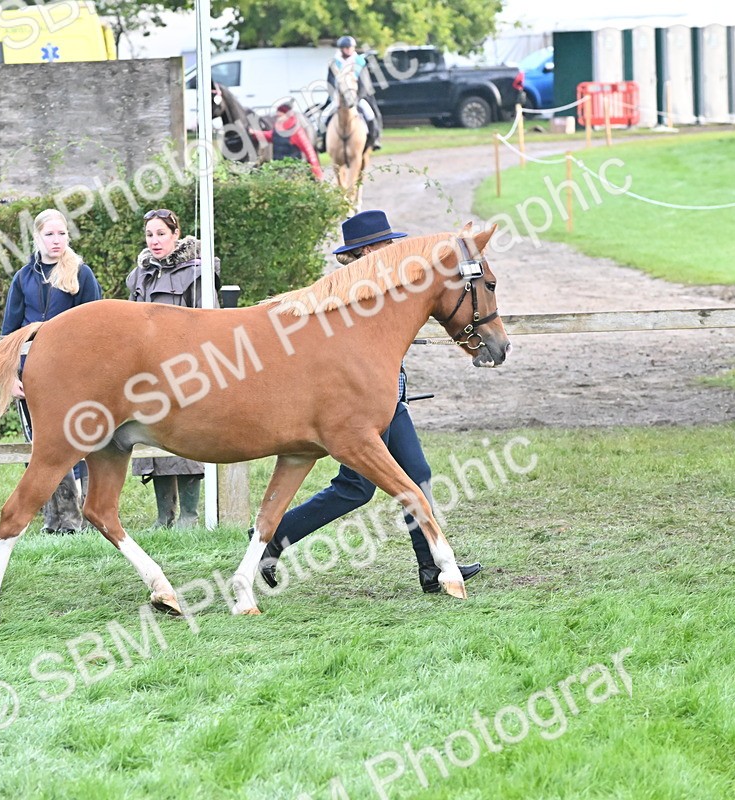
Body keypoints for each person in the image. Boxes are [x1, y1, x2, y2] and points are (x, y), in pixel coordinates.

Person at [258, 210, 483, 594]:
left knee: (412, 476)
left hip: (390, 400)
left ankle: (431, 568)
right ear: (367, 251)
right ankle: (272, 536)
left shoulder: (384, 287)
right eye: (386, 243)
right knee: (358, 487)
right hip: (359, 407)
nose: (393, 249)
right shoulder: (351, 294)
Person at [1, 208, 102, 532]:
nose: (56, 240)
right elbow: (9, 332)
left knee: (76, 440)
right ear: (37, 237)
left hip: (72, 377)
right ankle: (54, 519)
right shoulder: (23, 278)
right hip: (33, 377)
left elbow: (96, 329)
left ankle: (81, 517)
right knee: (42, 446)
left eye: (61, 234)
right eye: (49, 234)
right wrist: (10, 376)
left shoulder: (81, 274)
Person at [126, 209, 220, 527]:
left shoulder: (198, 272)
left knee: (187, 437)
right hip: (147, 372)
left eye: (161, 234)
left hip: (186, 370)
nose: (154, 241)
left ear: (176, 234)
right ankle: (164, 516)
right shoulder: (139, 276)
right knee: (153, 437)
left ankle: (189, 516)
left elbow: (211, 324)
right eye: (149, 235)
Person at [321, 36, 382, 150]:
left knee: (370, 114)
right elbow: (330, 82)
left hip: (358, 97)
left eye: (351, 47)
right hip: (339, 98)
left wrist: (357, 98)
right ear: (341, 49)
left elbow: (364, 83)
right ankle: (324, 142)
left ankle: (374, 139)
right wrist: (334, 96)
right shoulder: (334, 63)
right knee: (324, 116)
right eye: (346, 48)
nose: (349, 50)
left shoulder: (360, 62)